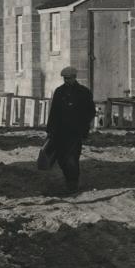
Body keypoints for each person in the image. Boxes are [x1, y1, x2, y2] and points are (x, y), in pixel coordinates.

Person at [45, 66, 95, 194]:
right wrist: (50, 129)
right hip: (60, 132)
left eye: (69, 78)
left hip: (75, 132)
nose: (66, 81)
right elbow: (54, 112)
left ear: (74, 77)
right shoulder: (59, 92)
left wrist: (84, 127)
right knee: (61, 158)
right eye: (64, 79)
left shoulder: (84, 92)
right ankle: (69, 179)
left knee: (72, 157)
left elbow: (90, 111)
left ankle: (73, 183)